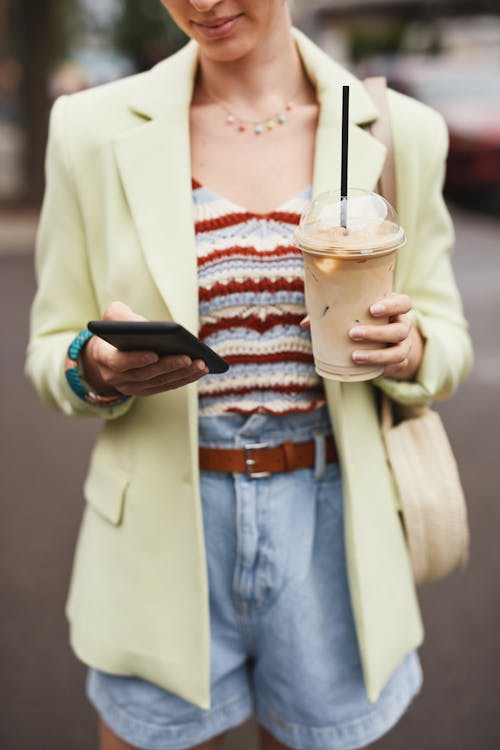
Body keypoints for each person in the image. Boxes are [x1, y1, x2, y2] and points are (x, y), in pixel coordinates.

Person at [26, 2, 473, 749]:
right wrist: (95, 366)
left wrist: (412, 348)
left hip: (334, 527)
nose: (201, 3)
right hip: (163, 532)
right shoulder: (90, 129)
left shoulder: (400, 133)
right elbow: (50, 348)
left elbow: (448, 336)